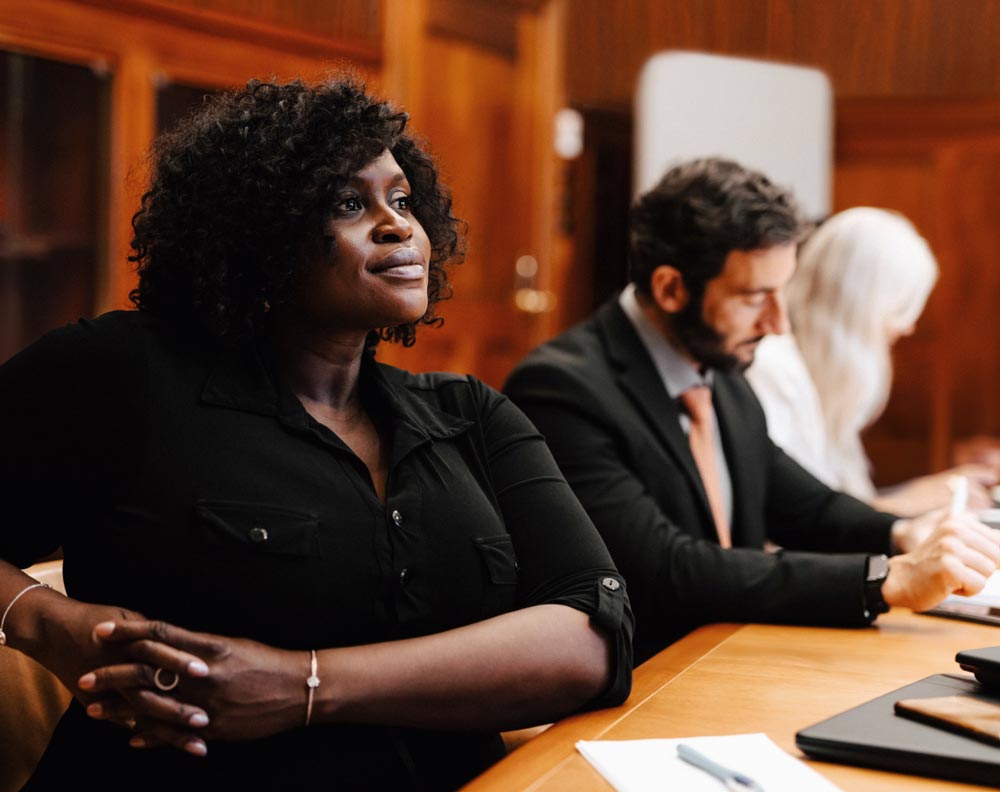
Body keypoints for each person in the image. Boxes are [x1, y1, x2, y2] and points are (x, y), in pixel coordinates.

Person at [0, 78, 633, 791]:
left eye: (401, 200)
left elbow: (593, 642)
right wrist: (43, 623)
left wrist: (304, 684)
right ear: (257, 235)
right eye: (345, 204)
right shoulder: (123, 374)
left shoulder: (472, 415)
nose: (397, 226)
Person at [504, 158, 1000, 663]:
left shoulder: (718, 367)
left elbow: (804, 506)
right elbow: (665, 567)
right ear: (671, 288)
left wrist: (900, 532)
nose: (779, 322)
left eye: (781, 292)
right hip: (641, 680)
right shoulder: (561, 389)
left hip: (728, 653)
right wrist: (885, 579)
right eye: (755, 297)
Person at [747, 207, 997, 516]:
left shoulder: (820, 378)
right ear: (864, 306)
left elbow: (834, 507)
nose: (907, 328)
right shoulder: (773, 371)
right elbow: (796, 525)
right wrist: (906, 504)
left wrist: (927, 495)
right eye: (902, 306)